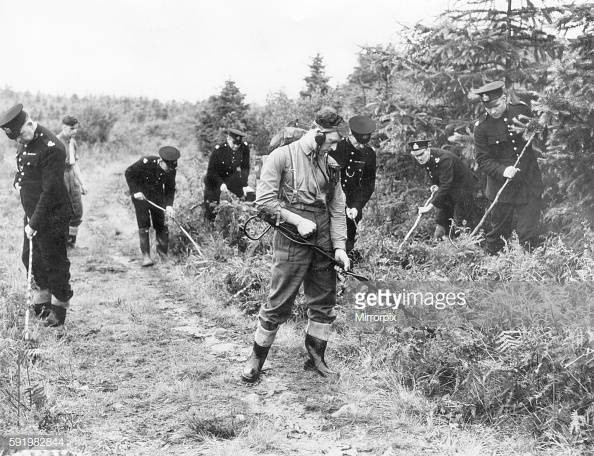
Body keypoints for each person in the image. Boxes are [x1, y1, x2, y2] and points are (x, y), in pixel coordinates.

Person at [241, 107, 350, 383]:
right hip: (291, 236)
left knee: (324, 302)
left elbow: (337, 208)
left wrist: (339, 247)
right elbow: (264, 202)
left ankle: (316, 359)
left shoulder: (331, 165)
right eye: (333, 141)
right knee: (278, 302)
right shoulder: (281, 157)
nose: (335, 147)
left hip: (323, 236)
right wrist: (296, 220)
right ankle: (256, 360)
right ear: (317, 134)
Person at [0, 104, 73, 327]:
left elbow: (49, 192)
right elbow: (25, 166)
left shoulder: (53, 147)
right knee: (30, 257)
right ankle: (42, 304)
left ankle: (59, 310)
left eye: (21, 134)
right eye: (16, 138)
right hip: (33, 213)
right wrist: (18, 180)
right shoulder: (27, 140)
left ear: (30, 124)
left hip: (52, 214)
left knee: (55, 260)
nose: (20, 140)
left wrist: (33, 223)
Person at [473, 81, 544, 254]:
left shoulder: (521, 110)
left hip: (528, 183)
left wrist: (539, 128)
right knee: (497, 236)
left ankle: (530, 269)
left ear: (504, 98)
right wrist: (503, 171)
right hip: (501, 189)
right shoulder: (481, 127)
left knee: (528, 233)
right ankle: (493, 273)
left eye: (496, 106)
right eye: (488, 108)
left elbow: (537, 133)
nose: (492, 111)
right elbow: (483, 160)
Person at [409, 140, 480, 239]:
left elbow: (445, 185)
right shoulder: (427, 158)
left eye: (421, 154)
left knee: (460, 222)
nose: (420, 158)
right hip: (450, 190)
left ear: (428, 150)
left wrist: (429, 207)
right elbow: (435, 174)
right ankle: (441, 243)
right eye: (417, 156)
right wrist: (435, 184)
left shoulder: (443, 159)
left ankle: (461, 246)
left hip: (465, 189)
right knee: (442, 219)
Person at [125, 146, 180, 267]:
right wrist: (135, 191)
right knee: (143, 225)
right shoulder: (146, 162)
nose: (169, 170)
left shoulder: (171, 170)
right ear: (161, 161)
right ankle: (146, 256)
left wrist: (169, 206)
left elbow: (170, 189)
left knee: (160, 225)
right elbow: (129, 173)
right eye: (167, 167)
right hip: (141, 197)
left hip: (157, 198)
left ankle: (163, 256)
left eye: (171, 167)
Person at [330, 115, 376, 254]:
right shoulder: (337, 148)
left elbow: (368, 184)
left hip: (353, 205)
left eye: (364, 144)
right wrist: (338, 199)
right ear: (350, 134)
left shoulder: (369, 154)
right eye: (357, 142)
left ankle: (345, 265)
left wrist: (357, 206)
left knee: (349, 239)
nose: (360, 146)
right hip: (332, 202)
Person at [203, 128, 251, 220]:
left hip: (230, 177)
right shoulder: (219, 150)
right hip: (214, 180)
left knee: (247, 196)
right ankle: (210, 225)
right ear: (228, 138)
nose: (236, 146)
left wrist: (245, 184)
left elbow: (245, 167)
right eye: (234, 143)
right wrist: (221, 183)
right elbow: (211, 171)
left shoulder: (244, 148)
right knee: (212, 206)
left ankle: (241, 221)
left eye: (238, 143)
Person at [56, 115, 86, 247]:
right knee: (61, 210)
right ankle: (60, 242)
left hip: (71, 176)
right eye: (71, 128)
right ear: (64, 127)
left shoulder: (73, 142)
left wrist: (82, 183)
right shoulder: (55, 142)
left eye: (76, 128)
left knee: (77, 209)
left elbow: (74, 164)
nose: (74, 131)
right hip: (59, 176)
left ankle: (71, 241)